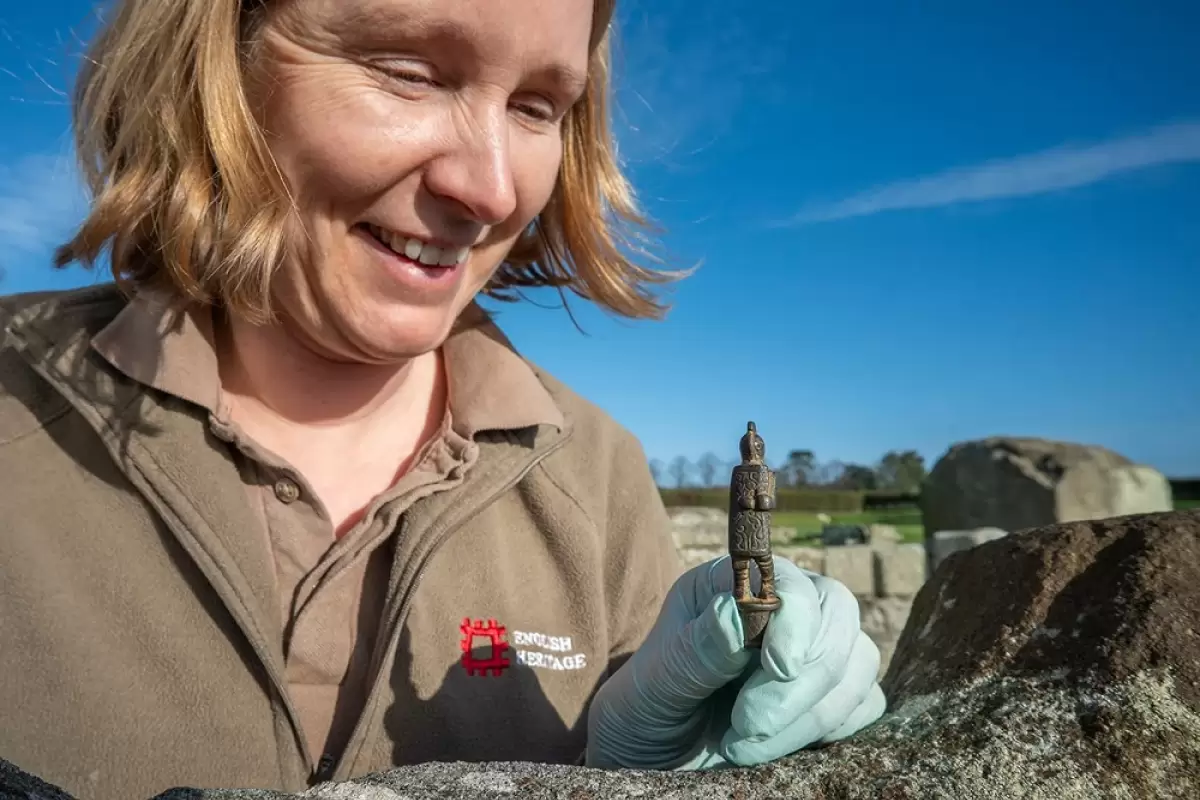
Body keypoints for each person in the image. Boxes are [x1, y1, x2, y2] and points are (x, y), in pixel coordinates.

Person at [0, 0, 885, 797]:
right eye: (409, 73)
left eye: (538, 107)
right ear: (221, 62)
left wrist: (643, 780)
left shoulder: (597, 472)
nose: (491, 190)